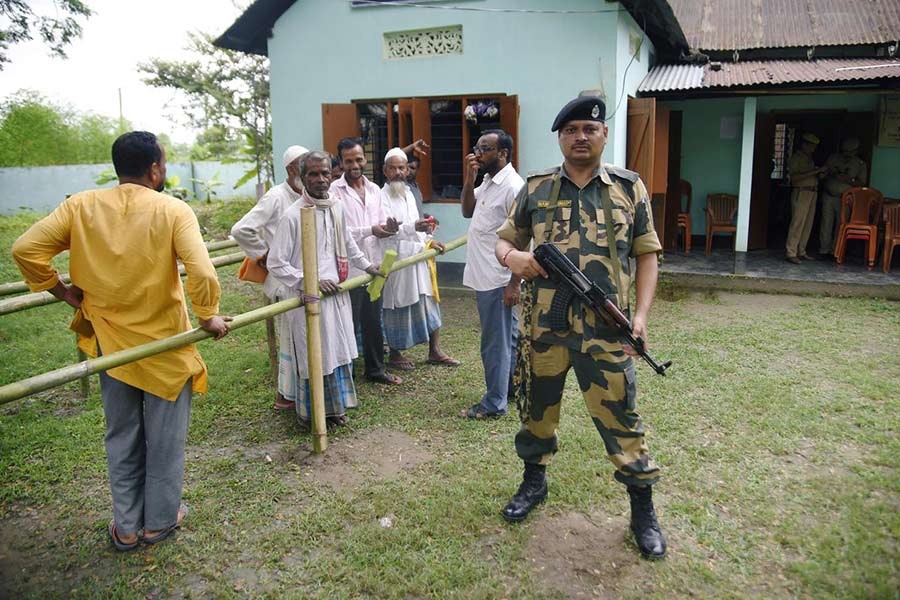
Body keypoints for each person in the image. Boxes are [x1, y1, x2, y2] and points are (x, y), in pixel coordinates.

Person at [11, 131, 230, 551]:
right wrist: (208, 316)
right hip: (164, 347)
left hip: (111, 346)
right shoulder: (172, 209)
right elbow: (201, 273)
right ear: (153, 169)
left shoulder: (81, 206)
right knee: (165, 439)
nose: (164, 171)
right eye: (163, 165)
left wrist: (62, 291)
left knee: (122, 435)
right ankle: (159, 522)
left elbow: (25, 249)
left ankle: (127, 527)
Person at [494, 97, 667, 559]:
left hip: (608, 331)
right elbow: (505, 240)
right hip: (544, 329)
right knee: (536, 412)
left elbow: (648, 253)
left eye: (589, 128)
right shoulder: (536, 188)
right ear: (561, 138)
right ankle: (534, 484)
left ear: (604, 135)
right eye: (571, 130)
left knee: (621, 418)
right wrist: (517, 259)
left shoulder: (629, 189)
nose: (580, 137)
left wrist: (642, 318)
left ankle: (642, 507)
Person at [268, 151, 381, 429]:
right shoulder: (293, 216)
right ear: (301, 177)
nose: (320, 179)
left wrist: (367, 266)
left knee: (336, 351)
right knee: (315, 355)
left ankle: (335, 408)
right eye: (313, 174)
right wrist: (309, 279)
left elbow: (348, 244)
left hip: (336, 294)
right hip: (309, 297)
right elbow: (276, 263)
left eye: (325, 173)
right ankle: (313, 415)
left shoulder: (336, 206)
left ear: (332, 173)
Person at [231, 144, 309, 411]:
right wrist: (263, 254)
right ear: (291, 169)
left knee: (304, 336)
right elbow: (241, 230)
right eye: (304, 165)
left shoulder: (308, 194)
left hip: (303, 277)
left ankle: (303, 392)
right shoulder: (277, 196)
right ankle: (285, 396)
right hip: (284, 281)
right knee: (290, 338)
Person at [459, 129, 524, 420]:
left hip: (499, 278)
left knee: (494, 342)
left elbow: (523, 239)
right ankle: (509, 389)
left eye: (485, 148)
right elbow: (467, 211)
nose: (477, 153)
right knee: (507, 338)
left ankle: (493, 404)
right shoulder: (487, 181)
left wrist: (514, 283)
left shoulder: (512, 186)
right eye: (477, 147)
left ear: (503, 154)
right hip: (484, 274)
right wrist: (468, 180)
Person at [329, 137, 403, 385]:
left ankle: (375, 369)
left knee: (373, 320)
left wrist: (388, 228)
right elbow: (340, 233)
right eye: (348, 161)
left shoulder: (374, 189)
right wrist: (371, 229)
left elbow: (381, 222)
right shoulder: (332, 192)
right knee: (347, 324)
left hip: (375, 265)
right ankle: (343, 376)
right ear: (341, 162)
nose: (354, 165)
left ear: (365, 159)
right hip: (348, 271)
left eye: (358, 159)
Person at [379, 148, 459, 369]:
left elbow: (419, 226)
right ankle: (395, 354)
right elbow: (386, 229)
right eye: (393, 168)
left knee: (429, 300)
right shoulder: (380, 196)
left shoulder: (410, 193)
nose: (397, 172)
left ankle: (435, 351)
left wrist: (429, 240)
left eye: (401, 168)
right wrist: (413, 228)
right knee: (396, 306)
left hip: (418, 256)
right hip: (397, 260)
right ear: (385, 171)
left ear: (407, 170)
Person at [819, 137, 867, 258]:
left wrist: (849, 180)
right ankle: (824, 250)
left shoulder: (860, 164)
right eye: (845, 151)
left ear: (855, 151)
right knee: (826, 223)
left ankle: (835, 250)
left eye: (850, 151)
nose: (847, 153)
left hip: (845, 199)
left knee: (841, 224)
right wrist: (832, 174)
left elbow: (862, 183)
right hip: (829, 195)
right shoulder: (833, 158)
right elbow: (823, 173)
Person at [785, 133, 827, 264]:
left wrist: (820, 174)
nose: (813, 149)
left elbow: (812, 177)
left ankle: (801, 251)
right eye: (812, 146)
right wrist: (816, 171)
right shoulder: (796, 158)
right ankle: (791, 252)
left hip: (812, 192)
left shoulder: (809, 158)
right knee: (797, 223)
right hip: (801, 192)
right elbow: (795, 178)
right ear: (804, 144)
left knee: (807, 224)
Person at [406, 152, 426, 218]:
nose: (408, 170)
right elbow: (392, 156)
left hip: (418, 226)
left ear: (417, 170)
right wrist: (412, 146)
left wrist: (425, 216)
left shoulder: (415, 186)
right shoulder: (400, 184)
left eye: (412, 168)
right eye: (406, 167)